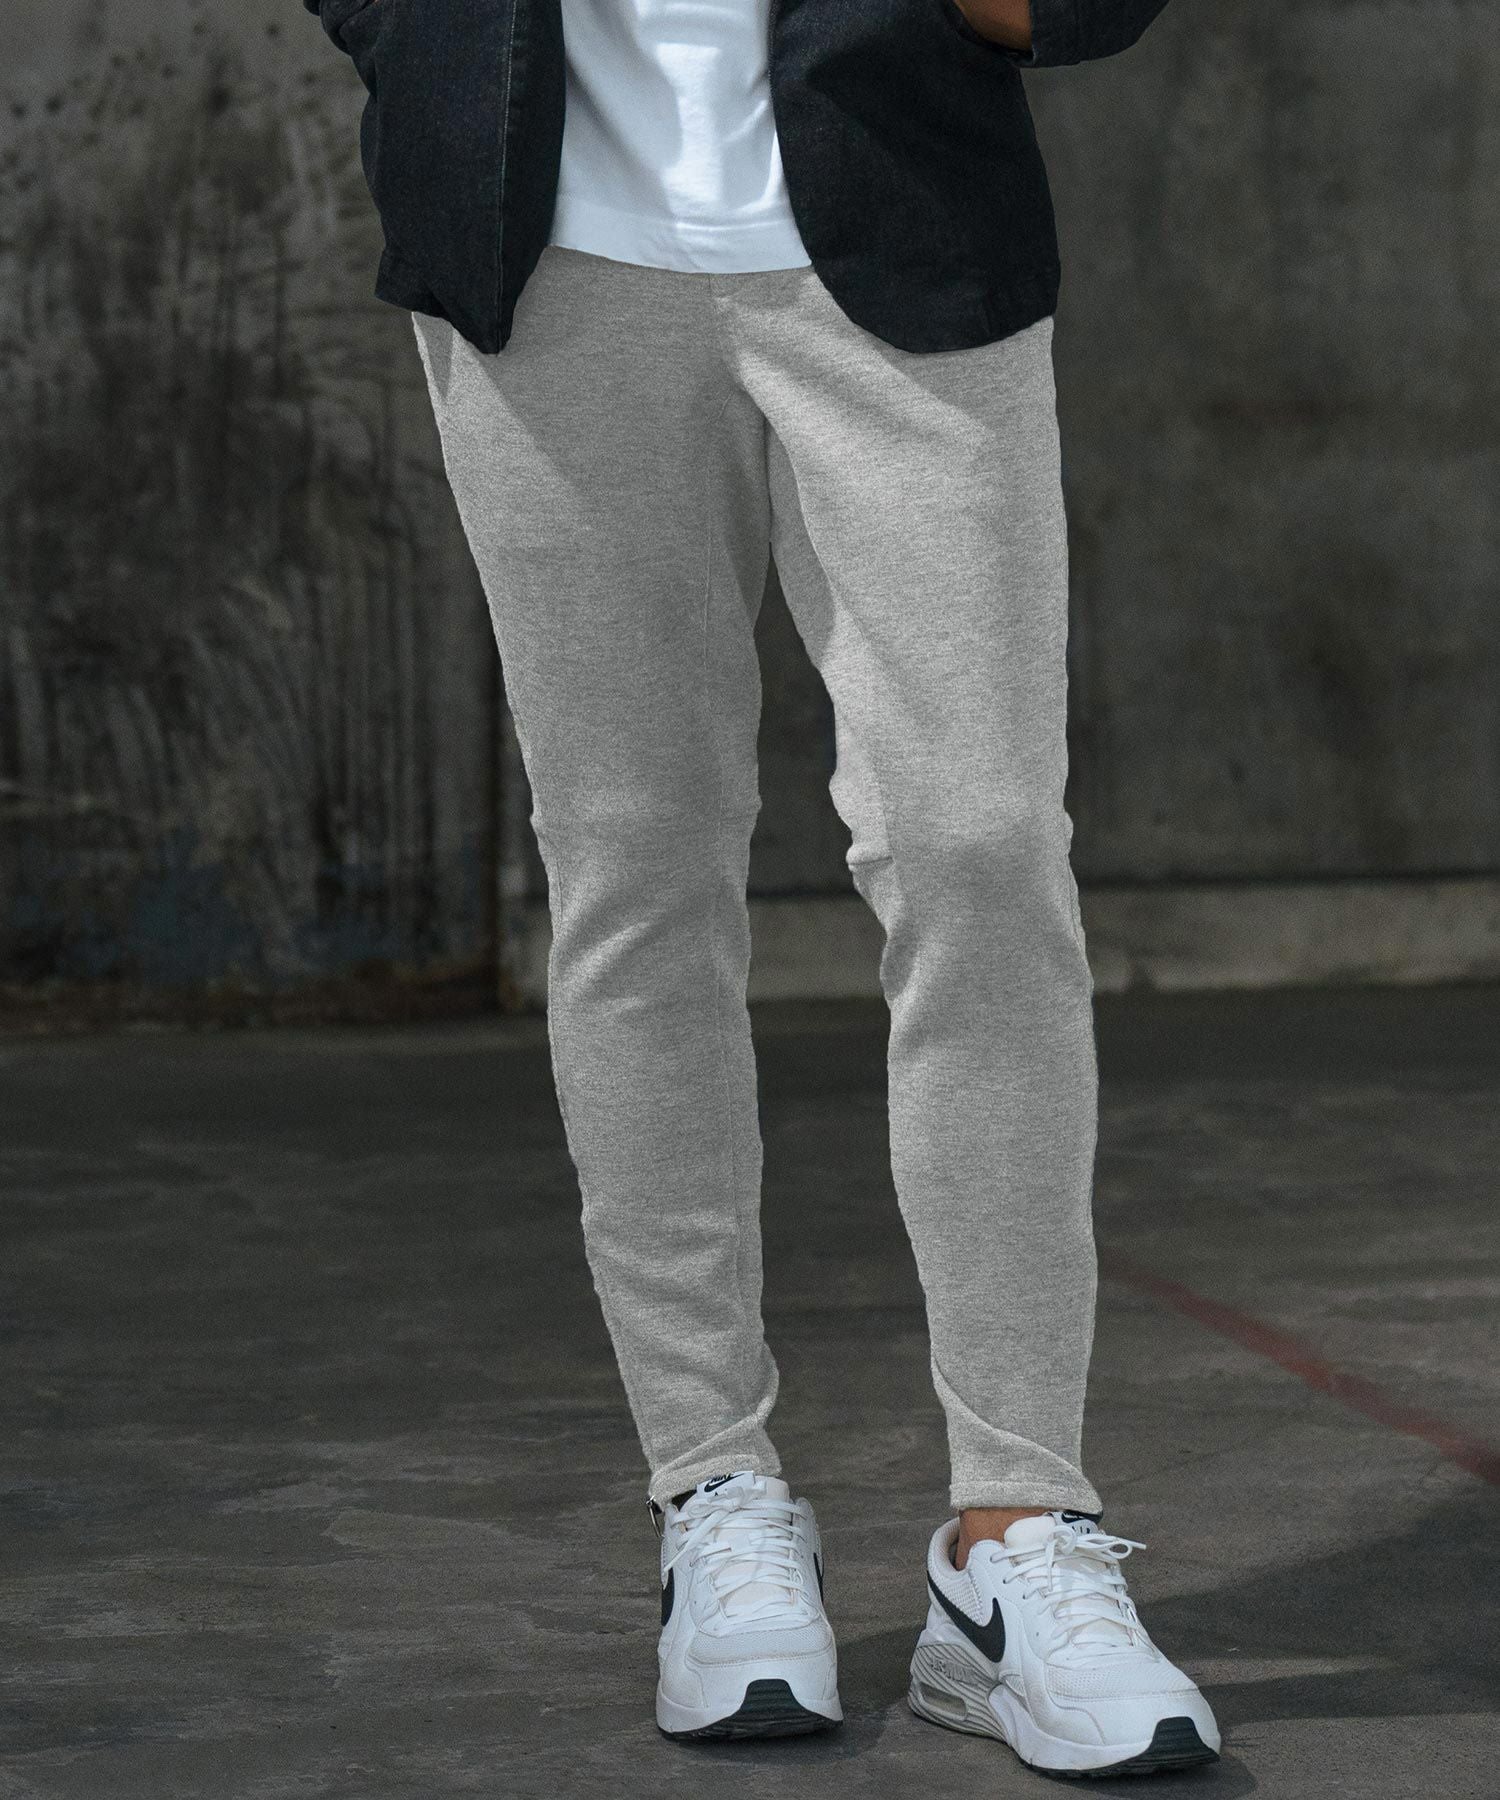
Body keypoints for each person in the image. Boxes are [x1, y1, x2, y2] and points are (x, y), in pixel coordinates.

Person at [305, 0, 1221, 1775]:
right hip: (549, 265)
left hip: (899, 239)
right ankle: (712, 1492)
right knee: (634, 873)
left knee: (980, 851)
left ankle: (1017, 1529)